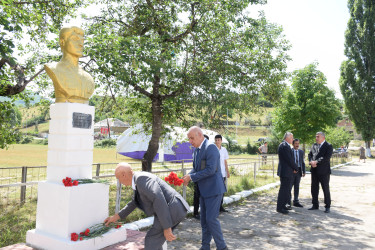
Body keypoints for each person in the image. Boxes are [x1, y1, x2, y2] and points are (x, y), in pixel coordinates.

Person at [104, 163, 190, 250]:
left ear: (124, 175)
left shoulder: (141, 179)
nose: (119, 181)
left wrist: (166, 227)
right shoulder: (138, 180)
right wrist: (116, 217)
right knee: (154, 241)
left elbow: (158, 199)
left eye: (118, 178)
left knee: (152, 240)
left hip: (172, 208)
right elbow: (134, 203)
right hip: (172, 208)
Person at [183, 126, 228, 250]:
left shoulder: (211, 148)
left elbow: (211, 170)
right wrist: (188, 176)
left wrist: (191, 178)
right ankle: (205, 246)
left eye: (192, 138)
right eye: (189, 139)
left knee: (211, 220)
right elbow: (197, 169)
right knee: (204, 221)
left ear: (200, 135)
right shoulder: (197, 150)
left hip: (214, 190)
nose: (190, 141)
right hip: (203, 191)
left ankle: (222, 247)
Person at [44, 26, 95, 104]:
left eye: (82, 40)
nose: (81, 44)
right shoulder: (54, 69)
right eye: (75, 39)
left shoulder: (88, 78)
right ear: (62, 42)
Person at [308, 132, 333, 213]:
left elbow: (326, 158)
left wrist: (316, 162)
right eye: (316, 136)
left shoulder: (328, 146)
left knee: (325, 188)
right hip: (314, 170)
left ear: (323, 137)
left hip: (324, 171)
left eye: (318, 136)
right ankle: (315, 204)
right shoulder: (314, 145)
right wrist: (311, 161)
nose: (316, 138)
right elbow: (310, 154)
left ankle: (327, 206)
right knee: (314, 188)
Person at [276, 132, 298, 214]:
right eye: (291, 137)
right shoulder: (284, 146)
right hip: (285, 172)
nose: (293, 139)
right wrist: (296, 167)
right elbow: (289, 159)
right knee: (283, 190)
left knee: (286, 190)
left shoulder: (286, 145)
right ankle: (280, 207)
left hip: (287, 171)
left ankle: (283, 205)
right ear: (287, 138)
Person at [193, 134, 209, 220]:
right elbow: (195, 166)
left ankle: (205, 213)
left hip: (206, 179)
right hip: (198, 178)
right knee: (197, 196)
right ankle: (195, 213)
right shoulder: (196, 151)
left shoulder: (209, 152)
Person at [215, 134, 230, 213]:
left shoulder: (224, 149)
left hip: (223, 173)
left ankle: (220, 206)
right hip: (215, 174)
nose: (217, 141)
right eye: (216, 140)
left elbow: (225, 161)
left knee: (222, 191)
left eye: (219, 140)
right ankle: (216, 207)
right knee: (216, 191)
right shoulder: (213, 149)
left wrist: (227, 171)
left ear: (221, 141)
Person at [289, 138, 306, 208]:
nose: (297, 145)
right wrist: (292, 169)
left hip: (299, 171)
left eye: (298, 144)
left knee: (297, 186)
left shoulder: (301, 152)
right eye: (296, 144)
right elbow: (289, 162)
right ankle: (288, 202)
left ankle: (296, 201)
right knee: (289, 187)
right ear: (293, 144)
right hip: (292, 171)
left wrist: (304, 171)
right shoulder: (290, 151)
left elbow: (303, 162)